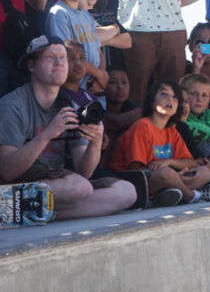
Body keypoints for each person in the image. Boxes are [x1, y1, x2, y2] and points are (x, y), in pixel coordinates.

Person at [0, 35, 136, 218]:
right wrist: (47, 134)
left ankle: (36, 213)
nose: (59, 62)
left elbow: (84, 171)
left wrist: (95, 142)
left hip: (57, 181)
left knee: (126, 191)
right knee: (78, 188)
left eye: (63, 57)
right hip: (21, 181)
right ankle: (15, 205)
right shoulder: (14, 105)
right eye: (50, 57)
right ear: (31, 66)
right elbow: (8, 171)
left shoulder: (68, 104)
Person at [111, 80, 210, 205]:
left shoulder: (171, 131)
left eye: (175, 97)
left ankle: (168, 193)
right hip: (134, 181)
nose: (170, 100)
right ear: (152, 101)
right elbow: (136, 169)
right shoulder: (142, 126)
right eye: (164, 95)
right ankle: (191, 196)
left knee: (204, 172)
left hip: (165, 177)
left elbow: (191, 162)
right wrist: (172, 175)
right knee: (166, 173)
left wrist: (170, 162)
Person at [46, 0, 108, 89]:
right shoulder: (59, 14)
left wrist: (100, 77)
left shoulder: (86, 15)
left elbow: (98, 50)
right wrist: (99, 75)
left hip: (94, 85)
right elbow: (69, 54)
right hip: (75, 88)